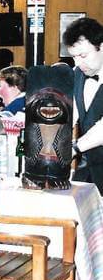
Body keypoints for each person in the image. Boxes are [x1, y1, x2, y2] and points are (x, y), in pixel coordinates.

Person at [62, 17, 103, 191]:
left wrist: (75, 147)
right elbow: (70, 114)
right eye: (74, 57)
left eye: (83, 55)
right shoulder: (77, 73)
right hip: (90, 168)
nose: (78, 63)